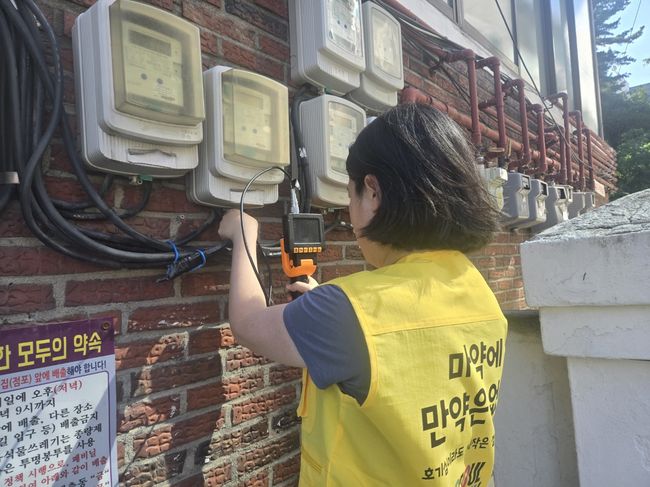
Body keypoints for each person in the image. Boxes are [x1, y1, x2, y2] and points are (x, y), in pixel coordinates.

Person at [217, 103, 507, 486]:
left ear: (373, 192)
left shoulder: (350, 312)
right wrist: (328, 307)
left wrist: (243, 234)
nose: (350, 213)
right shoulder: (477, 290)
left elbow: (249, 324)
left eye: (350, 197)